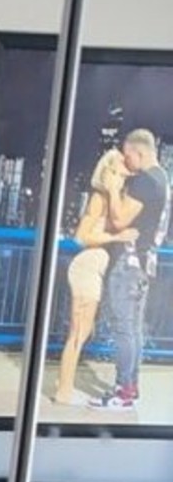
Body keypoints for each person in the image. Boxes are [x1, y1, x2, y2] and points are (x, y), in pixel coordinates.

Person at [88, 128, 171, 412]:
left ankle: (123, 391)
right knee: (134, 330)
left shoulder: (145, 181)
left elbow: (120, 220)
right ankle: (130, 388)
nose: (126, 161)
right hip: (145, 264)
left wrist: (113, 189)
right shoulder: (163, 179)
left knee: (124, 329)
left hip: (129, 263)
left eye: (128, 156)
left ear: (139, 152)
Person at [53, 149, 137, 406]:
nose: (126, 165)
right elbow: (81, 237)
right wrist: (116, 237)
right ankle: (63, 391)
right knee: (78, 332)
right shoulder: (99, 197)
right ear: (109, 169)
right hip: (87, 268)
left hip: (96, 272)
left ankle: (63, 384)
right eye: (121, 164)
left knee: (84, 332)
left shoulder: (116, 199)